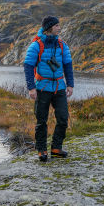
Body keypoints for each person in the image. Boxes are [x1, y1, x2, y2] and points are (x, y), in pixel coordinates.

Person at [23, 16, 74, 162]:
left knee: (63, 118)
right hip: (42, 88)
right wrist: (31, 88)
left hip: (59, 87)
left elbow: (68, 65)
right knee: (41, 121)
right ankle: (42, 150)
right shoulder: (36, 46)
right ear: (49, 28)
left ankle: (56, 148)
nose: (59, 28)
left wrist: (70, 84)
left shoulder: (62, 45)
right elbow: (28, 66)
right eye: (57, 25)